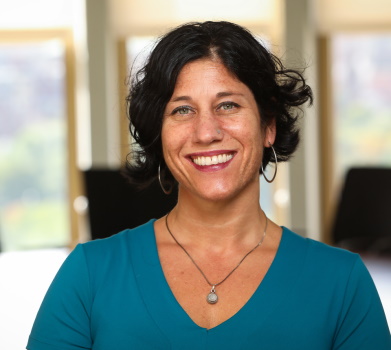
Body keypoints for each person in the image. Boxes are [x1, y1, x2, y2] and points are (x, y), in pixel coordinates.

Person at [27, 21, 390, 349]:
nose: (206, 132)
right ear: (160, 134)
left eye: (228, 105)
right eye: (182, 110)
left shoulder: (341, 282)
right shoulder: (89, 274)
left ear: (268, 126)